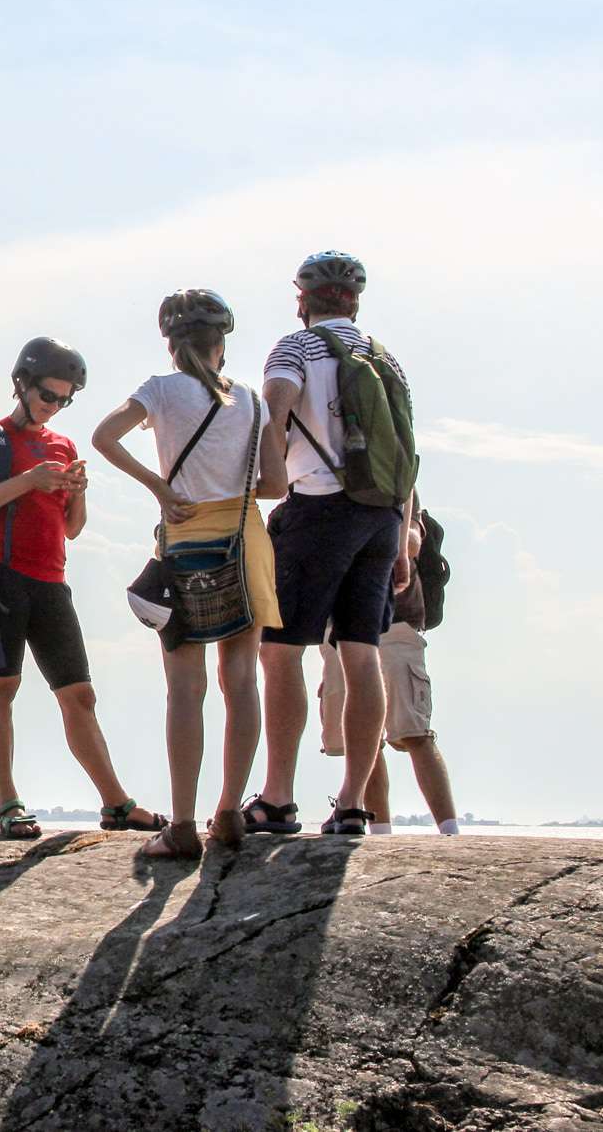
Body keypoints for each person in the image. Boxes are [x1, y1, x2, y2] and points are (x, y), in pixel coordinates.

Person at [91, 291, 287, 858]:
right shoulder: (250, 400)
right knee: (242, 680)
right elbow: (274, 485)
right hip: (245, 539)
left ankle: (179, 826)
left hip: (187, 538)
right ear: (221, 344)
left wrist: (160, 486)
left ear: (172, 346)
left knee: (185, 690)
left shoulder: (160, 389)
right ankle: (228, 814)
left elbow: (104, 438)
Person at [0, 338, 169, 841]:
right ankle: (9, 803)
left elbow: (73, 528)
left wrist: (76, 493)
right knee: (2, 686)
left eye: (64, 400)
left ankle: (116, 803)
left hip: (52, 581)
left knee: (80, 695)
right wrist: (30, 479)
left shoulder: (64, 445)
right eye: (49, 396)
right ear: (23, 384)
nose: (54, 406)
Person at [243, 251, 416, 837]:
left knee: (281, 649)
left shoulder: (295, 347)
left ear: (303, 299)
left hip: (318, 507)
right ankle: (351, 805)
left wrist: (264, 482)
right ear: (356, 301)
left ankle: (277, 798)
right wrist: (403, 543)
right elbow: (407, 453)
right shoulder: (383, 356)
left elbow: (274, 411)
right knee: (359, 649)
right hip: (382, 515)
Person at [318, 504, 459, 834]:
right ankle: (379, 833)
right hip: (336, 623)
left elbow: (412, 538)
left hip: (395, 618)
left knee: (414, 732)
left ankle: (450, 832)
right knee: (363, 740)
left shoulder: (391, 465)